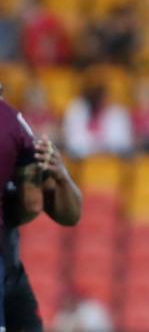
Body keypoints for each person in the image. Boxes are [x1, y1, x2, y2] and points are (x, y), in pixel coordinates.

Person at [1, 81, 83, 332]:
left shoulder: (18, 137)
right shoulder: (13, 129)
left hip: (9, 269)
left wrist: (60, 176)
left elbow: (69, 215)